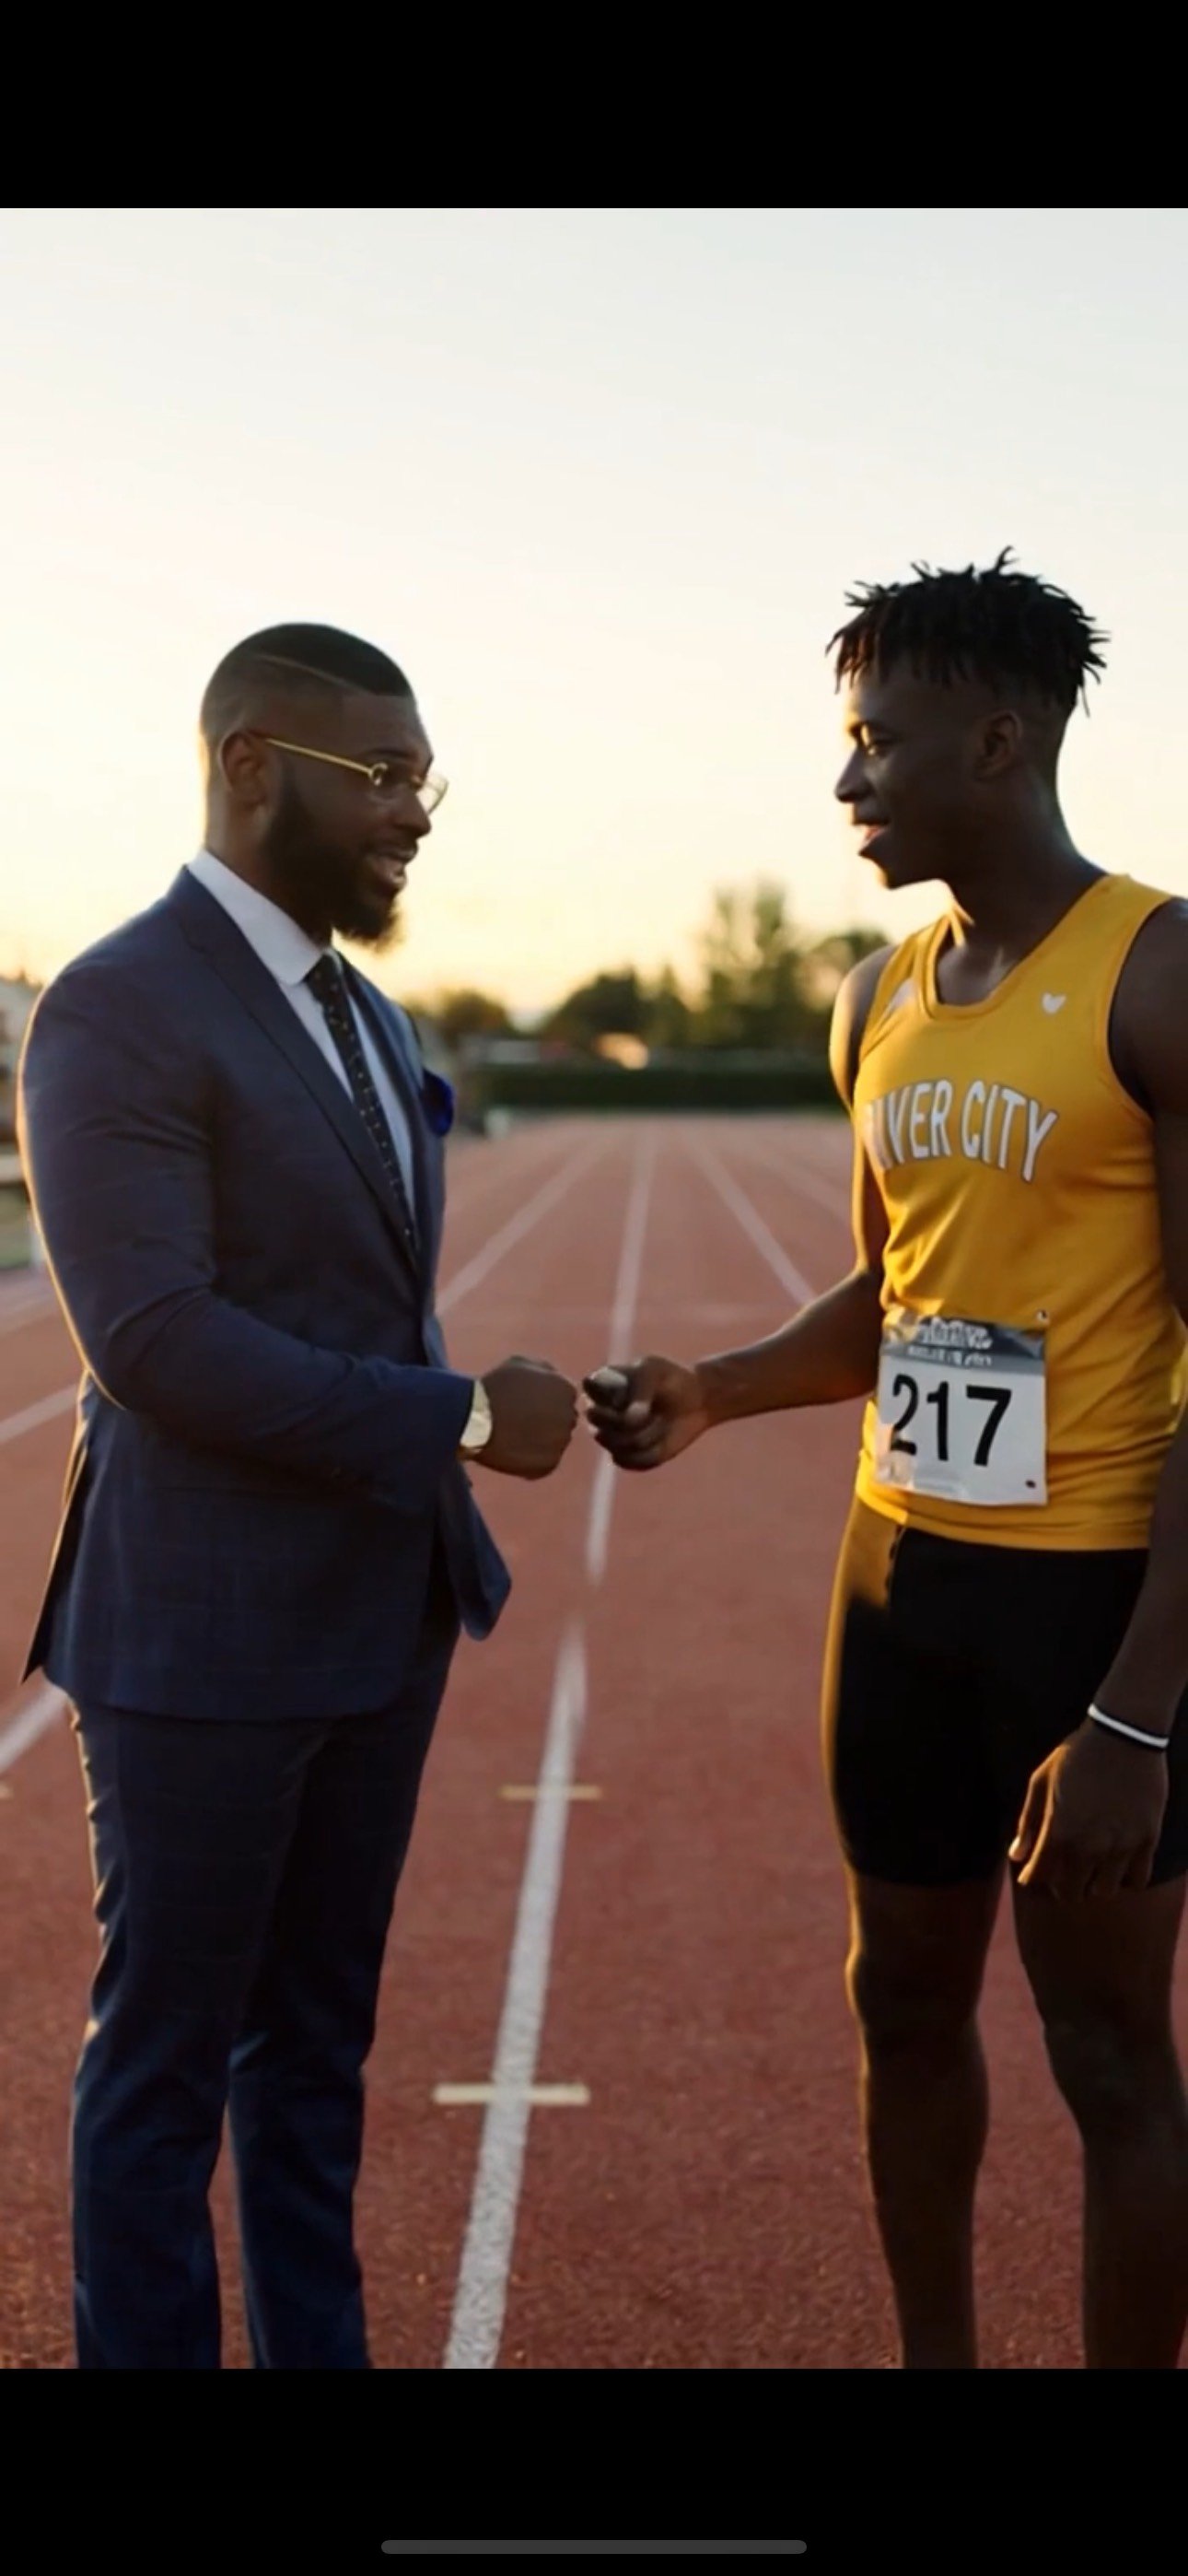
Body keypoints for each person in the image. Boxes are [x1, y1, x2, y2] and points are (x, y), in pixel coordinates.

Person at [587, 554, 1188, 2370]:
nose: (847, 783)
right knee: (904, 2005)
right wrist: (716, 1388)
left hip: (1095, 1601)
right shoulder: (876, 1001)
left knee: (1105, 2050)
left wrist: (1143, 1716)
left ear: (997, 741)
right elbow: (888, 1300)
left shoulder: (1158, 976)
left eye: (877, 745)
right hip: (901, 1580)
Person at [17, 622, 578, 2370]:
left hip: (375, 1614)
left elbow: (354, 1300)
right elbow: (156, 1342)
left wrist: (488, 1411)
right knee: (168, 2065)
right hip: (200, 1630)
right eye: (383, 777)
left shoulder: (366, 1009)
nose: (417, 815)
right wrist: (466, 1418)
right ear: (251, 764)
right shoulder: (118, 1002)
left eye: (426, 780)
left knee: (315, 2053)